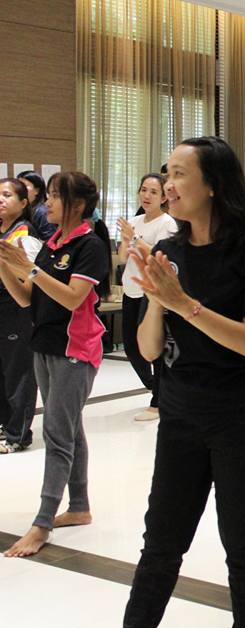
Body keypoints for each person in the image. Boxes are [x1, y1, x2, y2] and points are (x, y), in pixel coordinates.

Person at [120, 137, 245, 628]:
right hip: (180, 411)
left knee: (241, 542)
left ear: (212, 184)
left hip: (243, 414)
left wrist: (184, 303)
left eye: (178, 174)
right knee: (161, 542)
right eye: (166, 174)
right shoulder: (168, 251)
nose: (167, 185)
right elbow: (149, 349)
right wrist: (158, 297)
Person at [0, 171, 109, 556]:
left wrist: (29, 267)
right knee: (70, 429)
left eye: (54, 196)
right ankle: (78, 506)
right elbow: (27, 298)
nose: (46, 202)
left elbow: (73, 298)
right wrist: (5, 263)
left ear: (76, 205)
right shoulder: (51, 243)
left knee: (58, 435)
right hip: (45, 345)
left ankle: (42, 523)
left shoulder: (90, 246)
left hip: (76, 349)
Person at [117, 173, 178, 421]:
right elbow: (123, 257)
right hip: (130, 288)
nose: (147, 195)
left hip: (151, 292)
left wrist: (134, 238)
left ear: (163, 197)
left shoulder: (167, 223)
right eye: (144, 190)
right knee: (132, 347)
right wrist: (127, 239)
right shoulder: (134, 221)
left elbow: (160, 255)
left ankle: (158, 402)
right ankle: (158, 387)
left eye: (153, 191)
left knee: (154, 347)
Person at [0, 179, 42, 454]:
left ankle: (18, 434)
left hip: (16, 308)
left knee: (19, 372)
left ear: (24, 202)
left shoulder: (24, 234)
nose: (0, 200)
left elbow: (31, 279)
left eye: (7, 195)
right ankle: (5, 426)